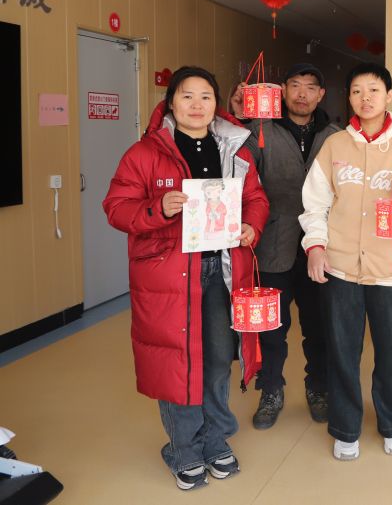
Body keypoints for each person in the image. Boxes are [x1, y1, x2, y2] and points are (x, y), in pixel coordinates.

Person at [103, 66, 269, 491]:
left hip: (222, 270)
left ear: (217, 104)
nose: (197, 105)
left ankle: (215, 441)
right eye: (187, 96)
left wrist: (251, 226)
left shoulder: (235, 148)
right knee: (178, 363)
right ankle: (184, 449)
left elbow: (255, 198)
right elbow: (116, 208)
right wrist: (158, 207)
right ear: (171, 103)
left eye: (206, 97)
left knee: (217, 360)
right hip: (169, 274)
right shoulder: (144, 153)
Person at [299, 63, 392, 461]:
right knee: (342, 351)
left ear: (389, 95)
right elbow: (315, 203)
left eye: (373, 90)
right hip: (341, 266)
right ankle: (345, 428)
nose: (365, 98)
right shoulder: (335, 145)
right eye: (357, 91)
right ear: (349, 98)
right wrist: (316, 246)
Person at [229, 63, 340, 429]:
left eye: (310, 87)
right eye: (295, 85)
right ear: (282, 90)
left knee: (319, 326)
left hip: (320, 248)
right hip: (272, 246)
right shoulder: (259, 130)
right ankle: (271, 391)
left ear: (321, 94)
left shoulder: (336, 136)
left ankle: (318, 388)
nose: (302, 93)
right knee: (272, 329)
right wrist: (238, 117)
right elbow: (234, 168)